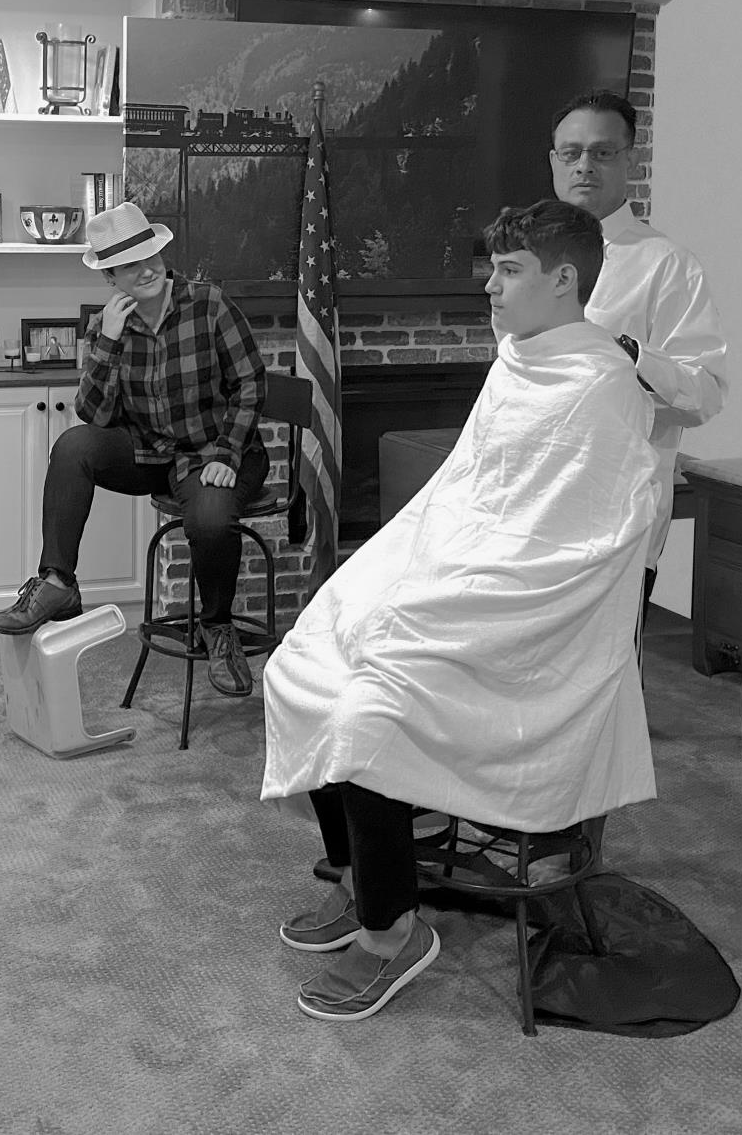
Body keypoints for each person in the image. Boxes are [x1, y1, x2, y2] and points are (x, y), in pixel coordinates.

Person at [260, 199, 662, 1022]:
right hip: (463, 576)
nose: (490, 286)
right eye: (493, 268)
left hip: (528, 623)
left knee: (367, 713)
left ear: (564, 280)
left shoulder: (604, 387)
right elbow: (467, 492)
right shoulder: (519, 358)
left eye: (509, 271)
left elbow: (581, 544)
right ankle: (356, 872)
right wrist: (404, 574)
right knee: (299, 662)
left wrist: (446, 596)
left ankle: (392, 932)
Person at [0, 202, 270, 697]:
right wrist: (109, 345)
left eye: (150, 254)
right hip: (155, 455)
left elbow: (250, 383)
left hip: (219, 453)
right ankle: (57, 582)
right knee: (74, 446)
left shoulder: (209, 304)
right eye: (129, 264)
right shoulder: (105, 326)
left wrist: (226, 454)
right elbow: (93, 416)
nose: (146, 269)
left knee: (208, 517)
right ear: (110, 277)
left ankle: (219, 628)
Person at [547, 89, 728, 597]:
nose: (585, 165)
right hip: (536, 509)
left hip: (616, 513)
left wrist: (627, 354)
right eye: (572, 152)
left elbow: (705, 395)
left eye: (602, 152)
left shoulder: (667, 265)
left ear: (630, 159)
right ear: (553, 161)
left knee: (612, 671)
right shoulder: (524, 261)